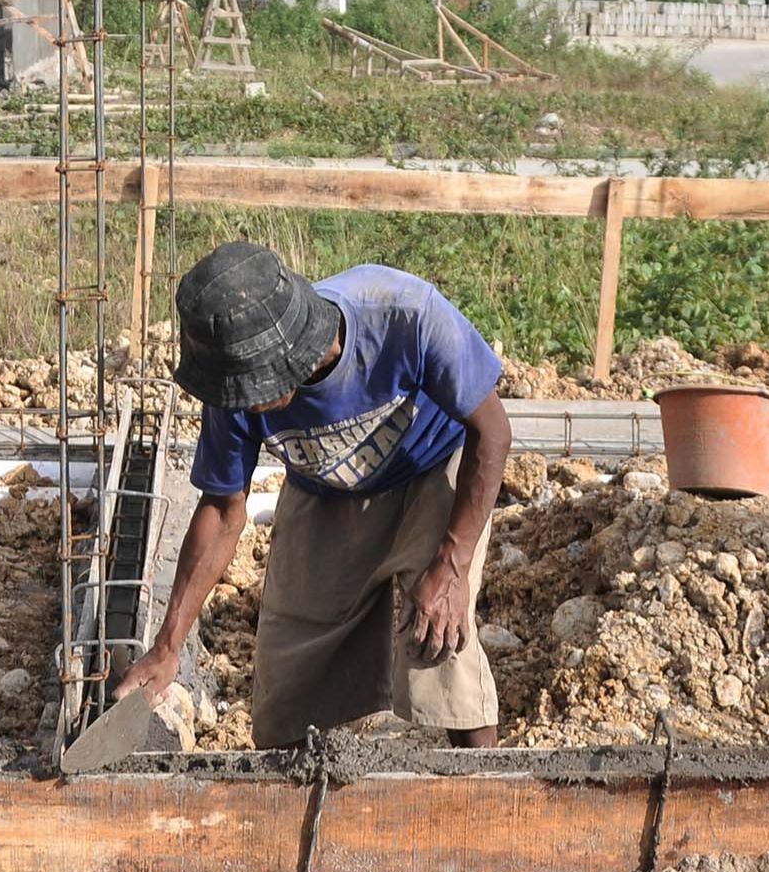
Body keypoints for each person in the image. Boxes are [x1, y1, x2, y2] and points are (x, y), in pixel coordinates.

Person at [112, 242, 512, 748]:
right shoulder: (232, 385)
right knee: (290, 682)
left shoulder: (404, 316)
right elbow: (222, 509)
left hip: (431, 467)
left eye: (253, 389)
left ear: (290, 355)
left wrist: (451, 566)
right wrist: (168, 645)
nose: (244, 404)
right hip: (324, 484)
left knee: (437, 639)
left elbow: (493, 433)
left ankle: (480, 799)